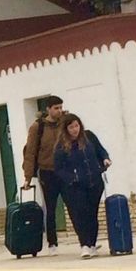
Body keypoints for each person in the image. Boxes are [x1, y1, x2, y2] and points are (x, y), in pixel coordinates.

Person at [52, 114, 111, 258]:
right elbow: (58, 168)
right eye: (71, 127)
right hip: (76, 186)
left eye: (76, 126)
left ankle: (92, 244)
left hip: (94, 182)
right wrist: (72, 178)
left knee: (92, 214)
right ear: (66, 129)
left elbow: (100, 150)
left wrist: (105, 159)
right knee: (80, 215)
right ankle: (84, 244)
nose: (75, 130)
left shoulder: (89, 137)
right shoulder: (61, 145)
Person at [22, 95, 67, 253]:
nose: (59, 111)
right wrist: (28, 177)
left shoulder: (65, 123)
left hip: (65, 170)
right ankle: (52, 243)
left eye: (61, 107)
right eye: (56, 108)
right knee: (50, 208)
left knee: (74, 204)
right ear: (48, 109)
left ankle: (85, 240)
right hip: (47, 171)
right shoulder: (38, 127)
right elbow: (30, 152)